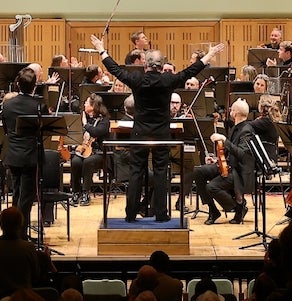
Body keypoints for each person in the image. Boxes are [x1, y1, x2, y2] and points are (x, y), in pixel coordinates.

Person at [91, 33, 224, 222]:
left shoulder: (137, 80)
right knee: (161, 172)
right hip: (162, 133)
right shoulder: (167, 80)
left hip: (140, 133)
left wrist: (101, 49)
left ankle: (130, 214)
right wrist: (208, 56)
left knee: (136, 172)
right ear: (162, 67)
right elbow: (190, 71)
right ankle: (161, 214)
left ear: (146, 65)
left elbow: (115, 70)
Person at [1, 66, 48, 231]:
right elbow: (43, 132)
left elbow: (6, 130)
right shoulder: (38, 106)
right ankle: (21, 234)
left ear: (18, 85)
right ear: (34, 86)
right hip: (30, 156)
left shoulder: (7, 105)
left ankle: (12, 231)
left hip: (13, 155)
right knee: (26, 198)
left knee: (16, 194)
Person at [196, 98, 254, 225]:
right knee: (199, 172)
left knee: (211, 187)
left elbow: (242, 155)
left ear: (235, 112)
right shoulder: (235, 128)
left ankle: (238, 207)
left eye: (231, 109)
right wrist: (216, 159)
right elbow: (228, 153)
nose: (230, 112)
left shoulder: (247, 131)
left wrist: (224, 139)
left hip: (238, 170)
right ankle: (213, 211)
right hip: (226, 165)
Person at [0, 207, 53, 301]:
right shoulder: (28, 247)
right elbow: (35, 276)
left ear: (1, 224)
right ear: (20, 225)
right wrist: (45, 259)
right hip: (24, 298)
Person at [69, 94, 108, 206]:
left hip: (99, 152)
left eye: (86, 102)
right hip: (84, 150)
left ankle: (86, 192)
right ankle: (76, 192)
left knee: (88, 162)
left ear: (93, 106)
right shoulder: (85, 117)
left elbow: (96, 132)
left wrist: (85, 124)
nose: (84, 104)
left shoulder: (104, 120)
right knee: (75, 161)